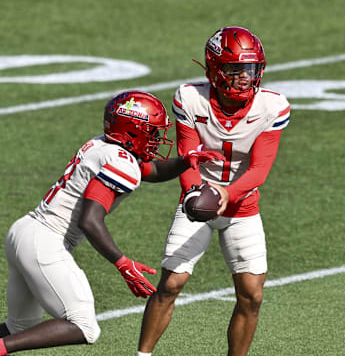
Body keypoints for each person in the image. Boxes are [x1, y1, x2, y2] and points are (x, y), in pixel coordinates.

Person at [0, 90, 224, 355]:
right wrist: (122, 262)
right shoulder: (121, 161)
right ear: (131, 131)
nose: (156, 140)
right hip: (45, 241)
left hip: (25, 232)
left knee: (18, 327)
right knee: (84, 326)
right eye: (151, 132)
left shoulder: (103, 146)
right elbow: (90, 220)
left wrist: (186, 162)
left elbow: (151, 171)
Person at [137, 27, 291, 356]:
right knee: (171, 284)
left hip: (242, 207)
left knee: (252, 294)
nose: (244, 78)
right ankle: (142, 355)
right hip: (198, 200)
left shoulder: (272, 107)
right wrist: (195, 195)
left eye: (250, 70)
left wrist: (227, 194)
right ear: (214, 70)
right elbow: (187, 157)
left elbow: (260, 168)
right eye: (235, 70)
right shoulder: (190, 98)